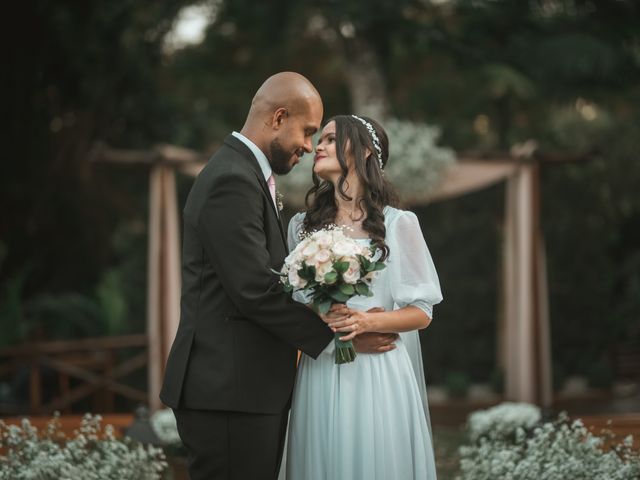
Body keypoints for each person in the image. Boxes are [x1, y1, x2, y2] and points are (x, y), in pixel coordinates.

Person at [159, 73, 397, 480]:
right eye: (307, 132)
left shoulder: (243, 173)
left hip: (241, 388)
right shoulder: (232, 179)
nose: (309, 146)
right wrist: (340, 340)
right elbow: (253, 289)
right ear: (278, 117)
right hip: (229, 391)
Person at [283, 114, 443, 479]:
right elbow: (292, 302)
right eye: (318, 140)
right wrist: (326, 320)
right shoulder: (301, 227)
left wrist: (367, 321)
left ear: (366, 151)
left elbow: (421, 311)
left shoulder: (399, 224)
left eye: (329, 139)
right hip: (321, 366)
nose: (316, 146)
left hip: (378, 370)